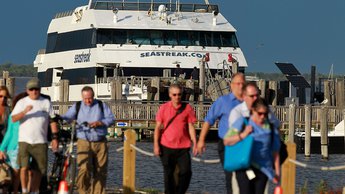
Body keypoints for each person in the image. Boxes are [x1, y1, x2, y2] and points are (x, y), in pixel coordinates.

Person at [196, 73, 245, 194]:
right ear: (231, 85)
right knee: (231, 175)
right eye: (237, 83)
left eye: (242, 83)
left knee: (245, 176)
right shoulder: (223, 101)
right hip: (227, 144)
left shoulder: (250, 101)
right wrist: (201, 140)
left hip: (245, 144)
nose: (240, 86)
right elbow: (209, 121)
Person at [62, 86, 115, 194]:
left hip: (100, 141)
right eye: (85, 98)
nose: (88, 101)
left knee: (101, 171)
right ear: (82, 97)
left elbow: (111, 118)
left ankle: (97, 192)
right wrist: (60, 119)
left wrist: (100, 123)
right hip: (83, 141)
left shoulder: (101, 105)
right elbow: (67, 117)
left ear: (93, 96)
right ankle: (83, 191)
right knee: (84, 168)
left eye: (90, 98)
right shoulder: (77, 106)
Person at [11, 78, 59, 194]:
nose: (34, 92)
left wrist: (55, 138)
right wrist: (24, 112)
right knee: (24, 167)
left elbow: (52, 121)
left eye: (36, 89)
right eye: (31, 89)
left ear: (39, 90)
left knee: (39, 170)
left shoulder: (45, 102)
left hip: (41, 141)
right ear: (27, 90)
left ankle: (34, 191)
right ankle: (24, 190)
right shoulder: (22, 102)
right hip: (24, 141)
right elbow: (13, 119)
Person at [223, 98, 281, 194]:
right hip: (245, 165)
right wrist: (243, 134)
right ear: (253, 111)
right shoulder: (243, 122)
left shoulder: (270, 128)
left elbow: (275, 151)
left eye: (265, 114)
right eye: (260, 113)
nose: (262, 117)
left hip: (263, 168)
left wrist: (277, 172)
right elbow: (226, 141)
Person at [153, 84, 197, 194]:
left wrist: (195, 142)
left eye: (179, 94)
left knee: (186, 172)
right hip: (166, 146)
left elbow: (191, 127)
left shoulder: (187, 108)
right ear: (170, 95)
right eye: (174, 94)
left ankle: (180, 192)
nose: (177, 97)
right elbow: (158, 128)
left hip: (183, 146)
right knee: (169, 174)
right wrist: (156, 145)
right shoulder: (164, 108)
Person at [0, 92, 28, 194]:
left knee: (25, 173)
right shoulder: (14, 115)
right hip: (15, 148)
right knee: (17, 174)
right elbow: (9, 134)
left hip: (26, 148)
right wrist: (2, 149)